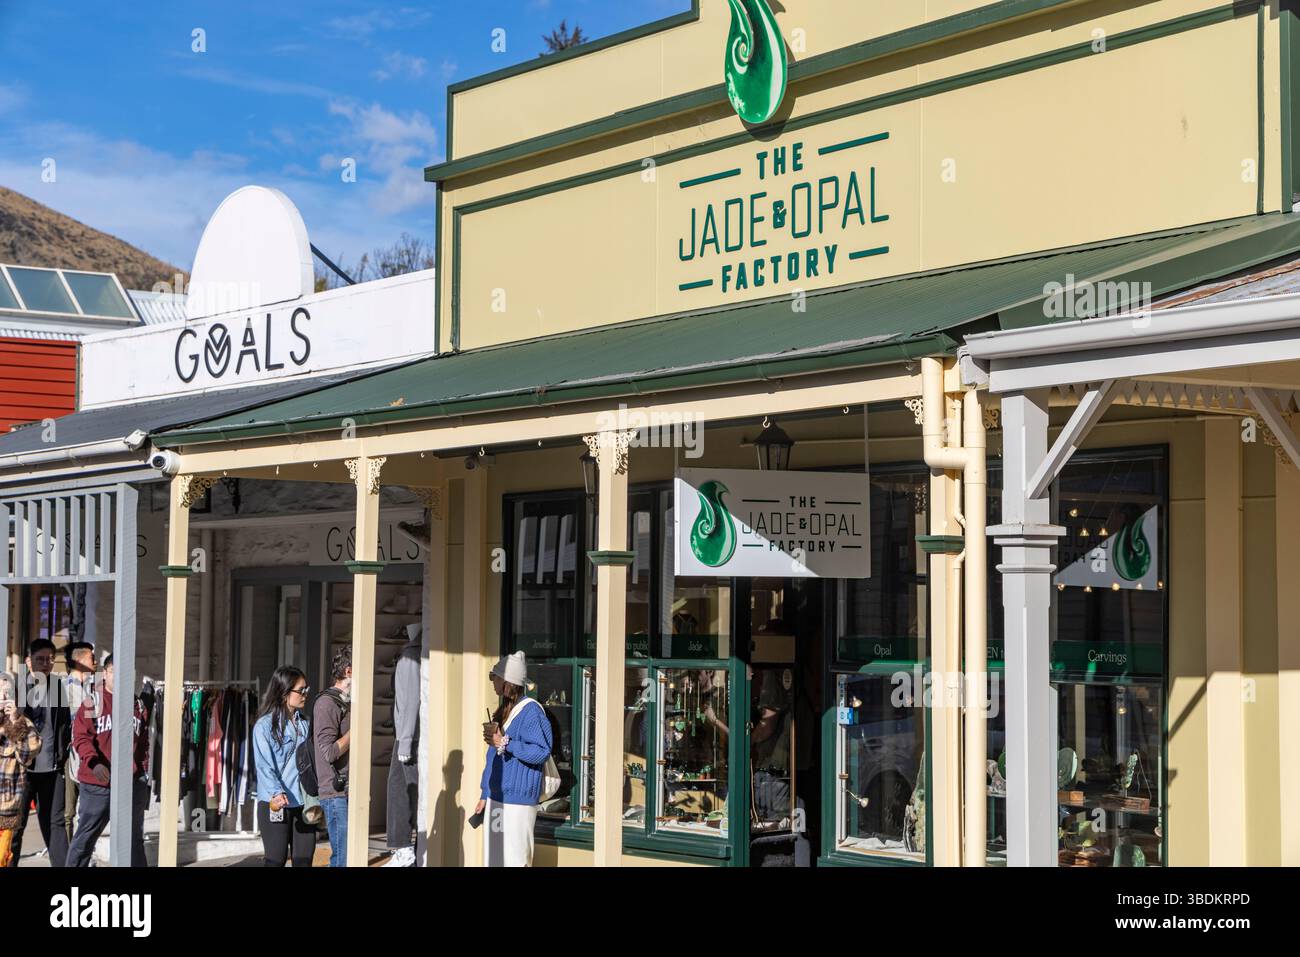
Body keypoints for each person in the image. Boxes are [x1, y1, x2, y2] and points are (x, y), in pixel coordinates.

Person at [65, 655, 150, 867]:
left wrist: (143, 774)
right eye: (115, 671)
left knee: (133, 840)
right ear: (106, 673)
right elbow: (81, 738)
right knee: (85, 839)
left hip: (131, 783)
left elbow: (144, 744)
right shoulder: (92, 701)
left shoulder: (137, 704)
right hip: (98, 784)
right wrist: (94, 763)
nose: (121, 676)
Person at [475, 651, 553, 867]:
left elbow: (541, 751)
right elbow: (492, 756)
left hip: (518, 801)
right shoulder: (504, 711)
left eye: (495, 677)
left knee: (515, 860)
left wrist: (506, 743)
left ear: (508, 681)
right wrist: (485, 792)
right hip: (497, 797)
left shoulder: (531, 712)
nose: (492, 681)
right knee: (494, 859)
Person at [10, 638, 71, 867]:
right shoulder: (16, 688)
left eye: (49, 660)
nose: (45, 664)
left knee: (55, 823)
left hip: (51, 769)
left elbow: (64, 723)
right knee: (16, 825)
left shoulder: (57, 686)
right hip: (22, 770)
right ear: (28, 661)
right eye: (40, 659)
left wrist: (62, 756)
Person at [252, 665, 315, 868]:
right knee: (275, 861)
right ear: (285, 692)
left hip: (304, 804)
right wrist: (276, 792)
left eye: (306, 689)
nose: (305, 694)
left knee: (304, 861)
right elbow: (264, 766)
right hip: (275, 803)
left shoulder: (306, 724)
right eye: (301, 690)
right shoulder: (263, 727)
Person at [383, 623, 420, 867]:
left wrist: (405, 740)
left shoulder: (410, 657)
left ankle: (405, 848)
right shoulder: (419, 654)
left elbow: (410, 700)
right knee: (409, 791)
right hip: (414, 735)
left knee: (400, 790)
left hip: (408, 737)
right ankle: (408, 847)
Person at [313, 650, 351, 868]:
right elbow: (328, 752)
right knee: (341, 860)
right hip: (336, 793)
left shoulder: (347, 701)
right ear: (349, 671)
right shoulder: (327, 704)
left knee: (347, 857)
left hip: (347, 792)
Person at [0, 672, 41, 868]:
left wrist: (15, 722)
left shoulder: (23, 723)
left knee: (3, 858)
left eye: (7, 693)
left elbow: (28, 753)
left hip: (7, 809)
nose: (3, 697)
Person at [61, 642, 96, 848]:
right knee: (69, 810)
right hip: (71, 755)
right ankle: (67, 854)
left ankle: (79, 852)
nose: (95, 662)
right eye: (92, 658)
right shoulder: (67, 689)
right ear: (81, 661)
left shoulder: (87, 689)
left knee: (83, 810)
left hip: (85, 754)